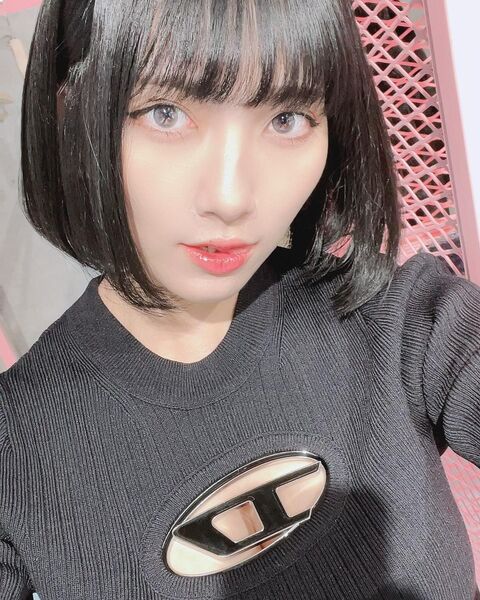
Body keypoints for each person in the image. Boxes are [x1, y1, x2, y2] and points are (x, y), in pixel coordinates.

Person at [1, 0, 479, 598]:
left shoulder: (403, 322)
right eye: (166, 113)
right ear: (69, 113)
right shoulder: (17, 450)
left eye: (287, 119)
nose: (231, 198)